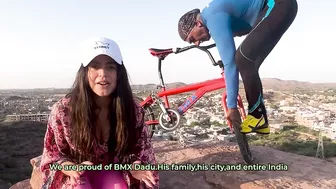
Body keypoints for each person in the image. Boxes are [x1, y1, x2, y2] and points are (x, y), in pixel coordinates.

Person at [40, 37, 159, 189]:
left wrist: (136, 165)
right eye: (95, 67)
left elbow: (141, 150)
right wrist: (68, 166)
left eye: (110, 67)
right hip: (75, 173)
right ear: (84, 72)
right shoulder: (64, 111)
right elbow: (52, 155)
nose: (103, 73)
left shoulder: (133, 110)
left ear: (119, 74)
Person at [177, 0, 298, 134]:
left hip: (278, 4)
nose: (197, 44)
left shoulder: (212, 17)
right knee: (248, 62)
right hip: (279, 7)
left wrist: (232, 107)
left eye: (192, 39)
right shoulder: (212, 16)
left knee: (243, 59)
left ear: (197, 24)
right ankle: (260, 119)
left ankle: (257, 117)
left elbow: (231, 64)